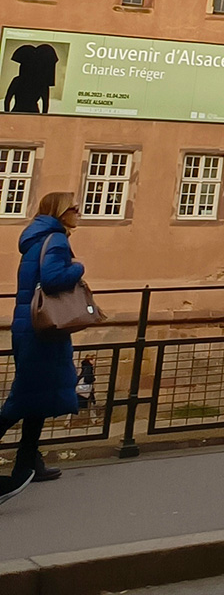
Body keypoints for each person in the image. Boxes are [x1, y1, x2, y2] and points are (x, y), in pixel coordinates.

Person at [0, 191, 87, 503]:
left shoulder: (36, 238)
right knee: (23, 398)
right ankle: (25, 463)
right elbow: (52, 279)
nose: (79, 212)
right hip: (43, 330)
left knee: (36, 395)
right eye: (74, 208)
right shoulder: (58, 240)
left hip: (29, 325)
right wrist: (78, 268)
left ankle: (27, 464)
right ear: (61, 212)